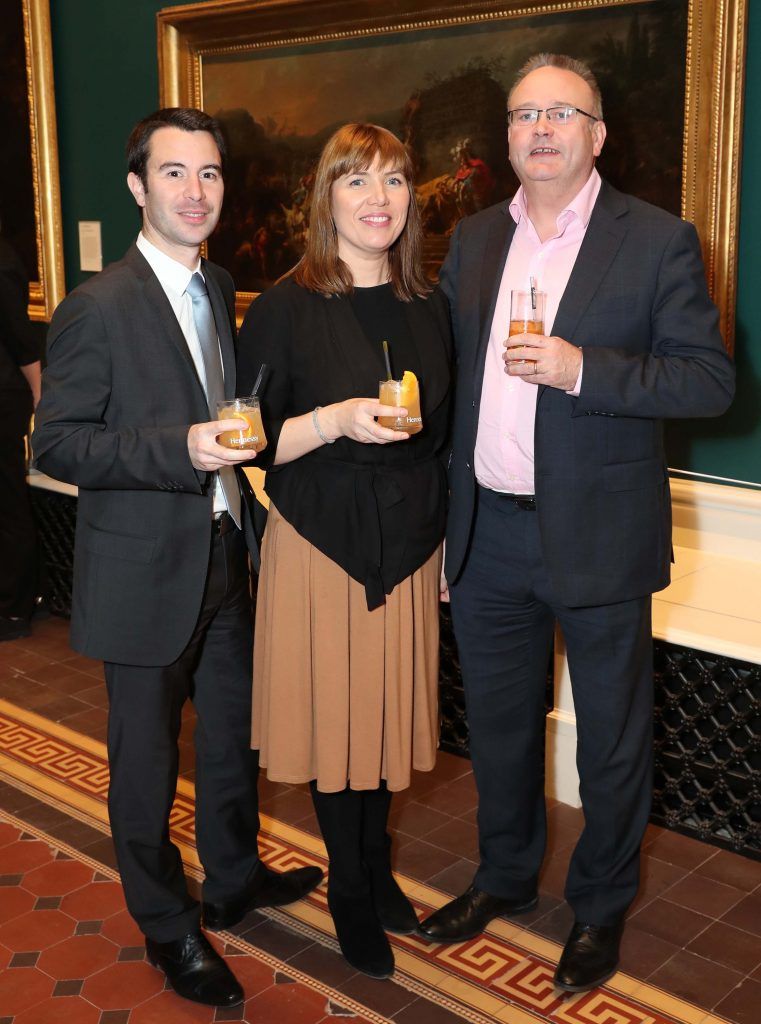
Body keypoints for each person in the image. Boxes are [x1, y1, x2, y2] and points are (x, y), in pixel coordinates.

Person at [417, 54, 735, 992]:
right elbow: (448, 395)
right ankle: (506, 879)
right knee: (501, 730)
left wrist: (580, 368)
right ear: (505, 136)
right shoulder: (472, 241)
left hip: (598, 536)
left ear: (597, 134)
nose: (541, 128)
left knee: (610, 741)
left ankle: (598, 909)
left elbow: (708, 380)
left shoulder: (657, 240)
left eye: (563, 112)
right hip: (487, 538)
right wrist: (443, 529)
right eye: (523, 114)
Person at [32, 108, 322, 1009]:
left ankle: (233, 879)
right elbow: (59, 445)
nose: (195, 193)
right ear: (136, 186)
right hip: (141, 576)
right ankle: (167, 928)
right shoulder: (97, 306)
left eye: (210, 175)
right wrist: (179, 449)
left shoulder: (219, 282)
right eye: (174, 174)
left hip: (226, 557)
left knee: (231, 746)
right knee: (147, 767)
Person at [237, 123, 452, 979]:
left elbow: (446, 437)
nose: (378, 199)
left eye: (395, 182)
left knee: (382, 722)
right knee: (338, 728)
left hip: (408, 543)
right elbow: (248, 441)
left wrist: (447, 551)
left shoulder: (428, 303)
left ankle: (375, 863)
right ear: (324, 196)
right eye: (357, 181)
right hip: (322, 542)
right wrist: (331, 421)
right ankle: (351, 890)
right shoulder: (287, 305)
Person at [0, 227, 41, 640]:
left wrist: (40, 395)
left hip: (3, 398)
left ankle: (13, 608)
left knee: (7, 502)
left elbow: (20, 338)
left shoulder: (3, 261)